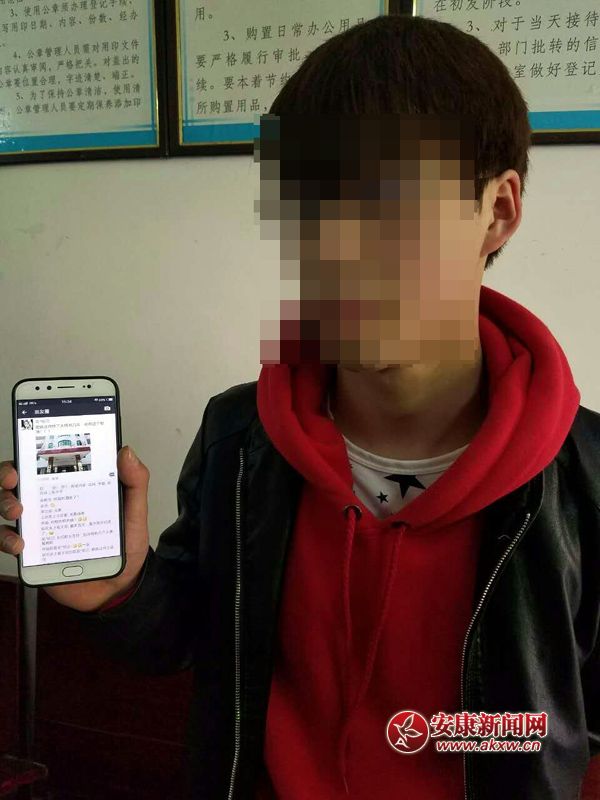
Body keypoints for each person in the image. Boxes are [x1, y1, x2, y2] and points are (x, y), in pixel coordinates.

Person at [2, 14, 599, 800]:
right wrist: (121, 588)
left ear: (498, 210)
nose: (341, 249)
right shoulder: (241, 438)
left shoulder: (585, 477)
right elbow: (194, 633)